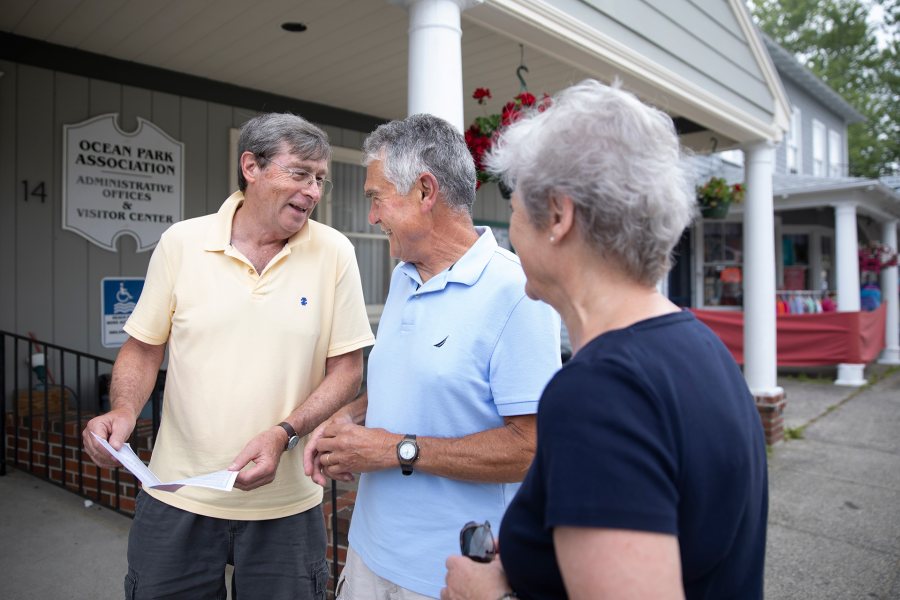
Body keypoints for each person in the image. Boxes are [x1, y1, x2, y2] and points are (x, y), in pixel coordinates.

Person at [442, 79, 769, 599]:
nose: (511, 231)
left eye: (516, 208)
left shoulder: (600, 393)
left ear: (558, 215)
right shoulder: (703, 350)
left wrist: (488, 595)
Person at [82, 113, 375, 599]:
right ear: (251, 167)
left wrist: (285, 434)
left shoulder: (335, 253)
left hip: (286, 505)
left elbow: (346, 370)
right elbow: (144, 346)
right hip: (176, 493)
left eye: (320, 179)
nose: (313, 191)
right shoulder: (181, 243)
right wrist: (124, 410)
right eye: (300, 173)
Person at [303, 113, 561, 599]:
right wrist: (347, 422)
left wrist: (394, 449)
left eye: (376, 198)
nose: (373, 216)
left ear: (425, 192)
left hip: (451, 576)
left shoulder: (517, 292)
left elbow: (530, 448)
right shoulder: (405, 275)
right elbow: (411, 385)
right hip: (367, 557)